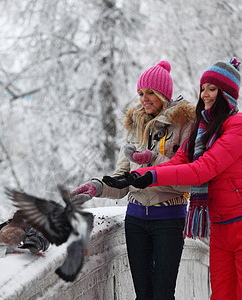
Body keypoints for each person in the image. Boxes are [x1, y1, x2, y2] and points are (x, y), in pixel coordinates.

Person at [103, 58, 242, 300]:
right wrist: (137, 176)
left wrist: (150, 175)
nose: (204, 94)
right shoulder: (204, 127)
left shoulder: (239, 127)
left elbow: (201, 170)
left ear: (228, 94)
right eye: (203, 88)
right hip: (220, 226)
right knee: (222, 295)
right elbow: (178, 161)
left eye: (212, 89)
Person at [72, 60, 195, 300]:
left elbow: (188, 178)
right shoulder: (134, 127)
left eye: (150, 92)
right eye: (140, 93)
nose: (144, 98)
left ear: (163, 94)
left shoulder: (185, 125)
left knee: (162, 295)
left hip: (169, 220)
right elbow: (123, 180)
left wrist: (153, 160)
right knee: (143, 296)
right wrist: (98, 186)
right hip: (136, 220)